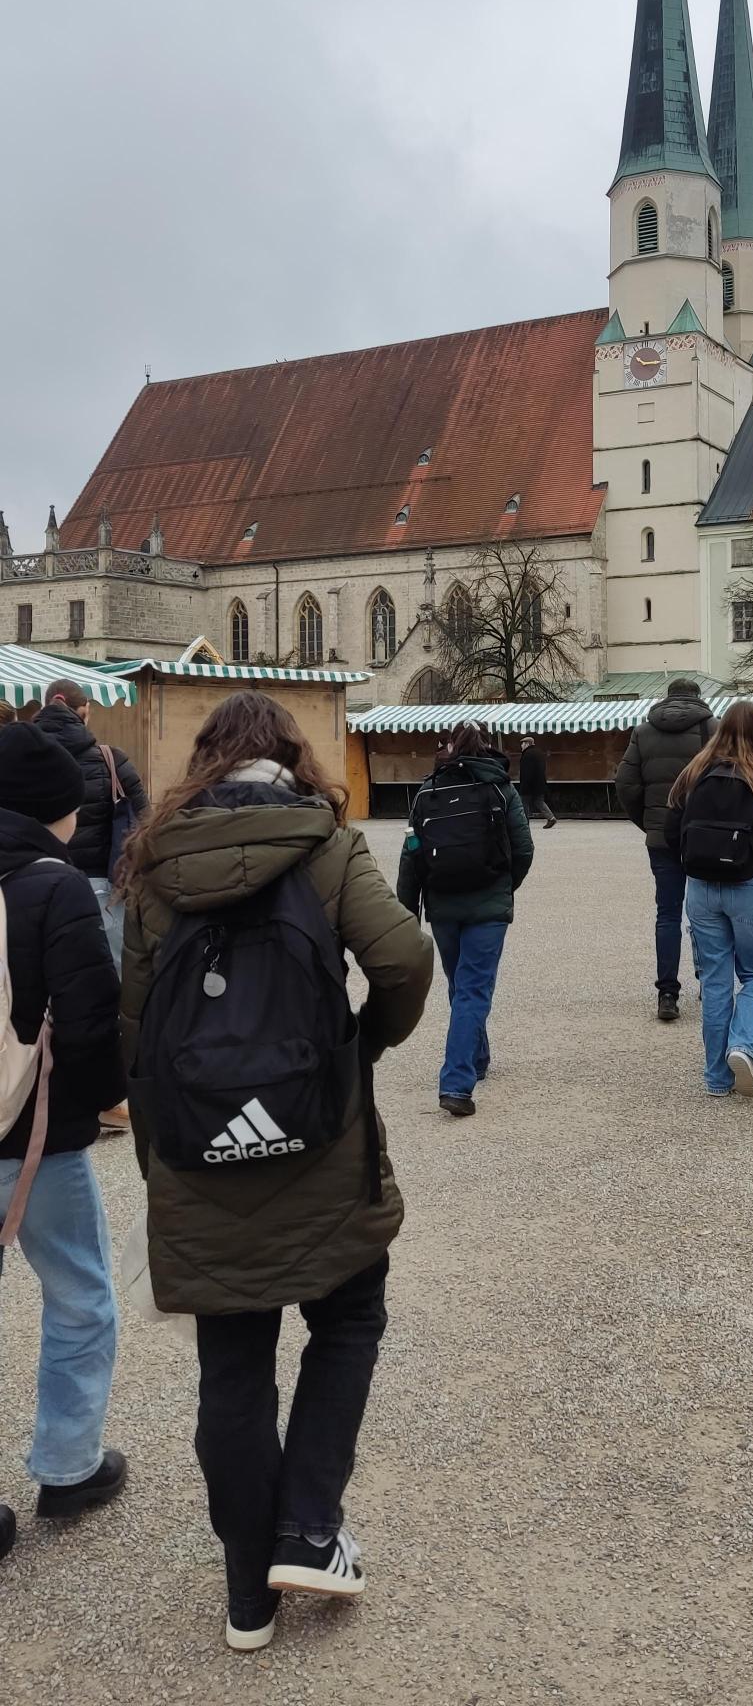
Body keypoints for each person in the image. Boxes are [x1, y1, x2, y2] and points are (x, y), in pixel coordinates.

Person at [119, 691, 432, 1651]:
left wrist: (158, 1150)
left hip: (199, 1146)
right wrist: (355, 1052)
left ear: (206, 760)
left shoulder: (152, 861)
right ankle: (307, 1525)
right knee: (348, 1318)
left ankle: (246, 1594)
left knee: (233, 1360)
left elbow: (134, 1026)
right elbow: (406, 962)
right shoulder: (327, 844)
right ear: (291, 755)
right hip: (315, 1126)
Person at [0, 723, 126, 1563]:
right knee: (79, 1293)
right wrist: (98, 1107)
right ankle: (67, 1464)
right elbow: (86, 1024)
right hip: (28, 1134)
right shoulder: (55, 885)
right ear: (59, 811)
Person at [398, 721, 533, 1118]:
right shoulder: (499, 788)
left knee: (461, 985)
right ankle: (456, 1084)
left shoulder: (428, 791)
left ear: (449, 745)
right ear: (487, 745)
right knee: (473, 990)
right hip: (487, 903)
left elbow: (412, 853)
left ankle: (477, 1059)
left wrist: (408, 912)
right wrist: (504, 887)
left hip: (442, 903)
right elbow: (523, 849)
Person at [665, 702, 753, 1098]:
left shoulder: (694, 772)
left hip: (700, 885)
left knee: (714, 980)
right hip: (749, 883)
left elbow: (670, 830)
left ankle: (716, 1077)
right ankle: (743, 1045)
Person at [615, 679, 717, 1022]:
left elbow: (626, 783)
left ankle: (668, 993)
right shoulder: (712, 728)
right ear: (697, 698)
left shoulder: (643, 731)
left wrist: (649, 822)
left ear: (668, 698)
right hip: (703, 836)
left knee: (668, 914)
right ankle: (710, 983)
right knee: (706, 915)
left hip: (661, 838)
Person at [36, 679, 148, 977]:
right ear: (83, 712)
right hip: (103, 888)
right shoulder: (111, 760)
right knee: (110, 976)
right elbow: (145, 823)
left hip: (30, 884)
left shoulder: (16, 759)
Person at [518, 738, 557, 827]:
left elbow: (526, 772)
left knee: (524, 803)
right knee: (539, 801)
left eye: (522, 743)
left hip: (528, 784)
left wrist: (524, 785)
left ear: (527, 744)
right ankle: (551, 818)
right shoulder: (539, 753)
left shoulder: (527, 754)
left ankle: (524, 822)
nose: (521, 746)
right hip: (539, 783)